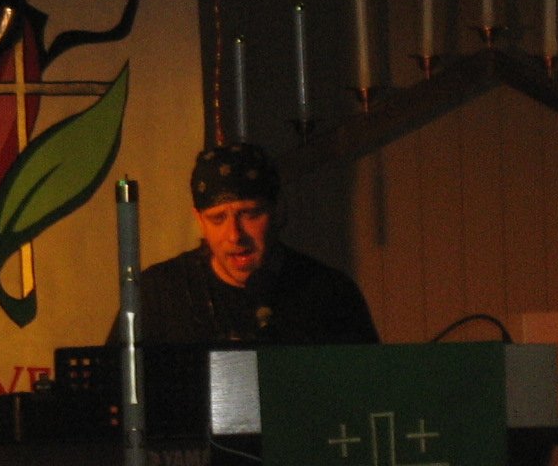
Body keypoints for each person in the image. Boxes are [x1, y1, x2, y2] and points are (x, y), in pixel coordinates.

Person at [110, 142, 378, 345]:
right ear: (199, 220)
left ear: (278, 210)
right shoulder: (159, 294)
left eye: (249, 214)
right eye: (218, 219)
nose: (234, 235)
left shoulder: (329, 294)